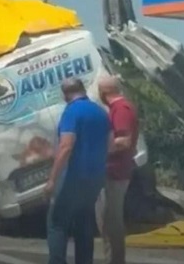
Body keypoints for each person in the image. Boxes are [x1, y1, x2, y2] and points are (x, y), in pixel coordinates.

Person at [44, 77, 111, 264]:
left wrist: (51, 180)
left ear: (65, 95)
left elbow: (66, 147)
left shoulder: (71, 113)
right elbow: (110, 145)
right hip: (96, 178)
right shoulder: (100, 112)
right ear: (82, 88)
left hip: (73, 178)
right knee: (84, 223)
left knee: (57, 223)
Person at [96, 75, 139, 264]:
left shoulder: (121, 110)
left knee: (112, 221)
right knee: (108, 219)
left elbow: (124, 141)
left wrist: (100, 151)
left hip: (116, 171)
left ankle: (115, 260)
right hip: (116, 170)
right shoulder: (118, 108)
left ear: (103, 93)